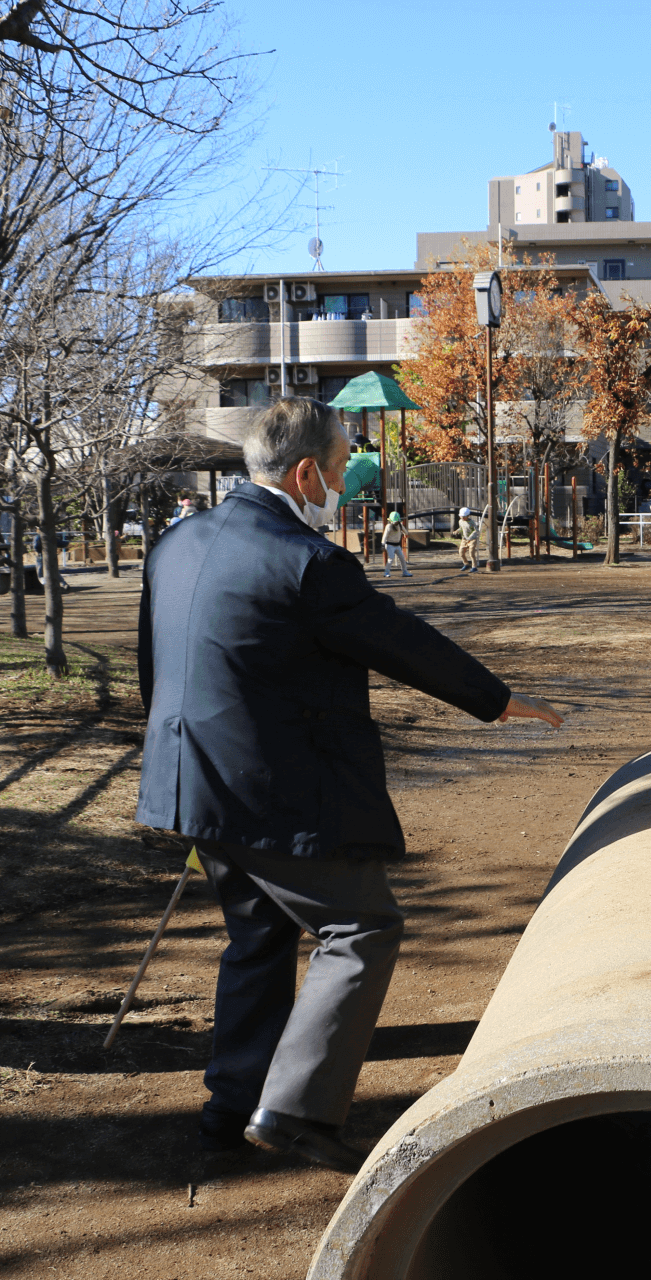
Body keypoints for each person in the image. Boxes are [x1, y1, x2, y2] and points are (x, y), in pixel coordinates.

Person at [137, 397, 563, 1168]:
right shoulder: (309, 562)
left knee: (257, 938)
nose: (342, 486)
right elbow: (399, 641)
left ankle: (230, 1106)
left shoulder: (177, 541)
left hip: (188, 781)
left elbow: (155, 667)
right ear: (305, 473)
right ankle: (296, 1110)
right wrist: (498, 701)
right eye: (338, 471)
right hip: (274, 791)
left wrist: (181, 770)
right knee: (359, 929)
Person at [382, 511, 410, 578]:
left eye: (397, 521)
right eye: (395, 522)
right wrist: (382, 544)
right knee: (391, 558)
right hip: (389, 545)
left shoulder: (400, 525)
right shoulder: (389, 526)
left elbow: (406, 532)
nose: (396, 523)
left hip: (397, 545)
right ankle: (386, 573)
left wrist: (405, 534)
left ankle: (405, 572)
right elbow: (384, 536)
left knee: (402, 559)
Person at [457, 506, 481, 572]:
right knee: (461, 553)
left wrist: (471, 537)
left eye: (464, 516)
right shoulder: (460, 521)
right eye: (461, 516)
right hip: (464, 539)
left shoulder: (472, 522)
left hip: (472, 539)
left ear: (468, 516)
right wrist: (457, 531)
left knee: (471, 553)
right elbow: (461, 528)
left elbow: (476, 530)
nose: (463, 518)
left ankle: (474, 567)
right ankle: (466, 564)